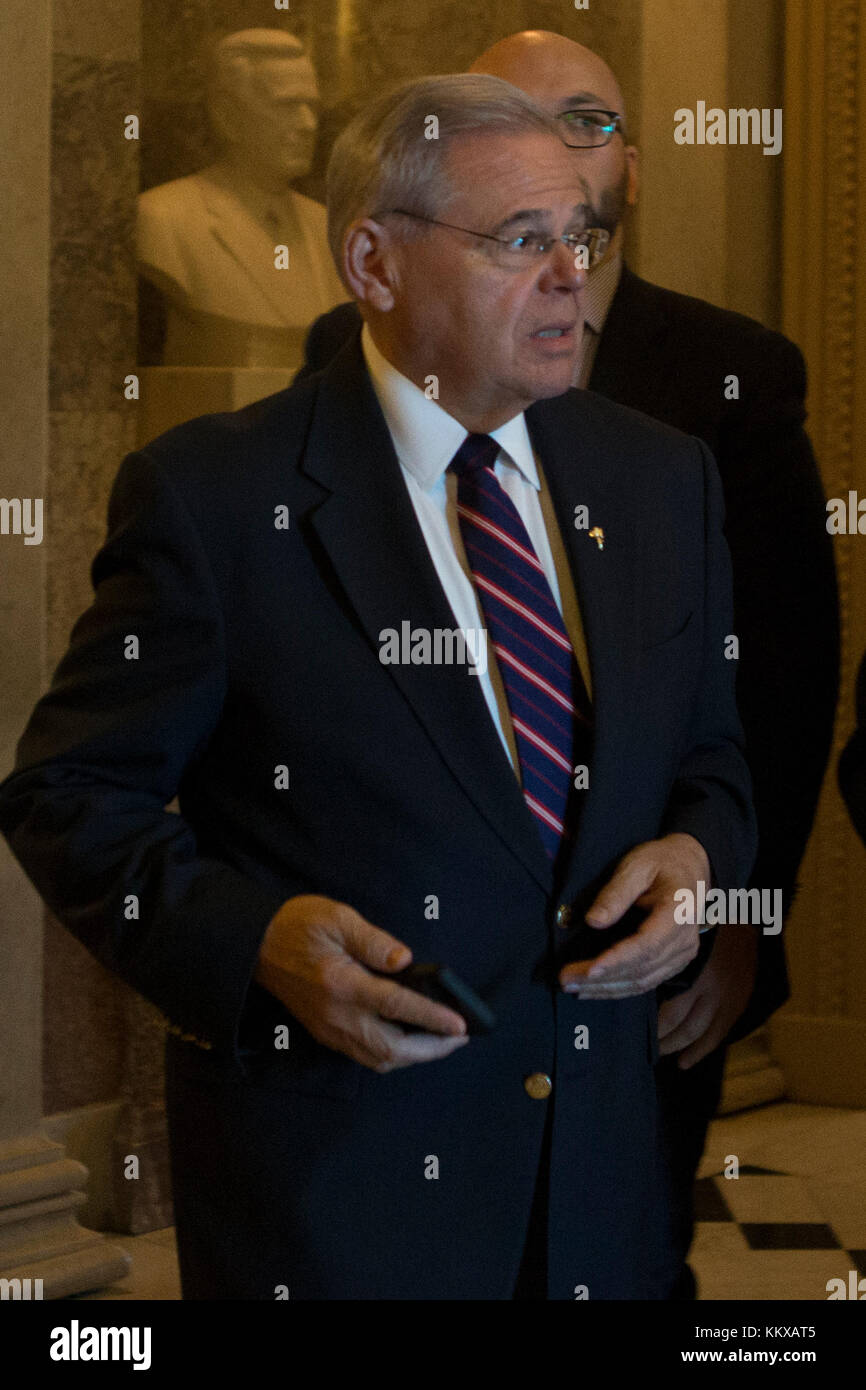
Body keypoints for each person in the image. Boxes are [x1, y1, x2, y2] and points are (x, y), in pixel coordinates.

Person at [0, 74, 756, 1301]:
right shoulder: (217, 500)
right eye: (522, 240)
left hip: (606, 1205)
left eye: (583, 235)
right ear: (373, 261)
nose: (571, 273)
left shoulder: (660, 480)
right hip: (342, 1210)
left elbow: (710, 757)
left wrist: (698, 858)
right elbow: (66, 794)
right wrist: (254, 942)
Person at [299, 31, 840, 1298]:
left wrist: (732, 901)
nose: (558, 263)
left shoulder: (709, 399)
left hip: (632, 956)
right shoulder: (304, 410)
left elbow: (767, 688)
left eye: (586, 124)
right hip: (408, 1001)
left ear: (631, 169)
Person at [137, 29, 345, 369]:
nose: (308, 124)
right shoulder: (163, 219)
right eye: (287, 106)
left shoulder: (327, 226)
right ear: (226, 115)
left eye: (312, 107)